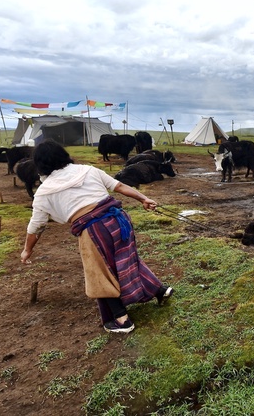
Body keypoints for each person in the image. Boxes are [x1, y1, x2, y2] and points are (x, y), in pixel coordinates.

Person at [21, 139, 173, 334]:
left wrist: (27, 250)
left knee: (98, 273)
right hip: (119, 220)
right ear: (63, 155)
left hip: (94, 230)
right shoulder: (87, 170)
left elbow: (36, 226)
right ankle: (159, 290)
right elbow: (119, 186)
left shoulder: (44, 191)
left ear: (40, 164)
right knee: (127, 259)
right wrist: (143, 199)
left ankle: (121, 319)